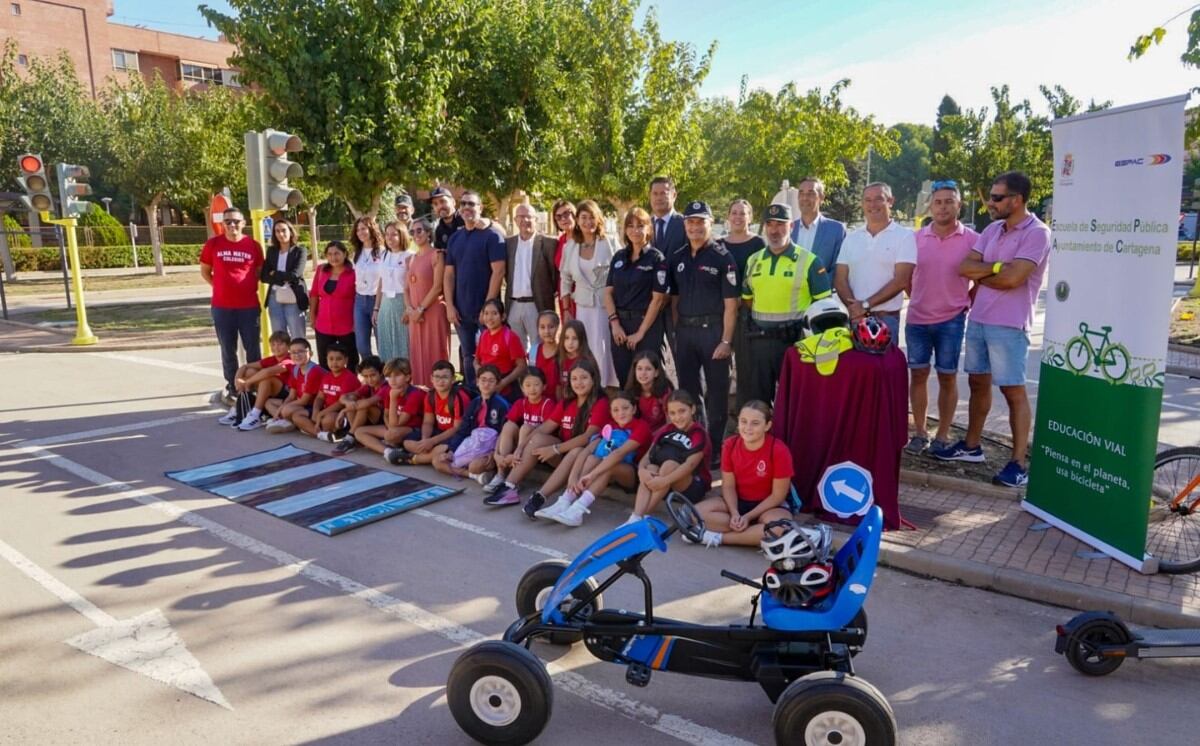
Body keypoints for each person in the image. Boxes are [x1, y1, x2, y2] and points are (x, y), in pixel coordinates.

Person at [934, 171, 1051, 488]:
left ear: (1017, 199)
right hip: (980, 319)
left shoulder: (1037, 234)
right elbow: (965, 268)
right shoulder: (993, 229)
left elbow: (1015, 279)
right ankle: (971, 446)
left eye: (997, 197)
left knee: (1013, 392)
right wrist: (999, 268)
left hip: (1010, 325)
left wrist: (986, 273)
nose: (990, 203)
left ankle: (1018, 463)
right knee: (977, 383)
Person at [905, 180, 979, 455]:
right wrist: (916, 298)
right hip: (917, 320)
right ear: (931, 205)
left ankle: (943, 435)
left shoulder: (973, 240)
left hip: (952, 320)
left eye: (949, 201)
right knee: (919, 375)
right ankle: (921, 433)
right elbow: (905, 276)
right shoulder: (915, 239)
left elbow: (982, 275)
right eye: (938, 202)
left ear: (959, 205)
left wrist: (967, 301)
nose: (943, 206)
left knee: (948, 377)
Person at [483, 359, 608, 511]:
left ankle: (541, 497)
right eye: (574, 378)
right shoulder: (567, 402)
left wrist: (555, 449)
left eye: (584, 377)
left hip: (583, 458)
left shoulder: (600, 403)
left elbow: (587, 437)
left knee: (575, 451)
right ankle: (509, 487)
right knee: (538, 438)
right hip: (562, 454)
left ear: (593, 379)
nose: (579, 382)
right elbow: (544, 428)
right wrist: (520, 447)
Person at [741, 203, 832, 406]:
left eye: (781, 224)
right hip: (760, 344)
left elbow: (823, 307)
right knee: (759, 402)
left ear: (791, 227)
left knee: (794, 401)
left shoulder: (810, 261)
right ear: (764, 227)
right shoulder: (753, 261)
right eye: (770, 224)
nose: (775, 230)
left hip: (794, 344)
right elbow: (747, 299)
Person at [668, 200, 738, 463]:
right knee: (688, 391)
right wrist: (676, 333)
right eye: (691, 222)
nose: (695, 227)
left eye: (701, 222)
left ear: (711, 223)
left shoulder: (722, 258)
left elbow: (732, 306)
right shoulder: (677, 257)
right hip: (685, 332)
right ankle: (694, 441)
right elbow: (673, 300)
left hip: (714, 333)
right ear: (685, 225)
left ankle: (715, 449)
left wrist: (726, 341)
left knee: (717, 392)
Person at [539, 392, 655, 527]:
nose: (621, 413)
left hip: (631, 474)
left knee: (609, 466)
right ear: (611, 412)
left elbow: (619, 453)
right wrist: (574, 477)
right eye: (615, 410)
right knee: (591, 458)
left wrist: (592, 475)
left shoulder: (641, 426)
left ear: (634, 409)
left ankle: (578, 509)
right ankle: (565, 500)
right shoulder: (610, 426)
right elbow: (587, 450)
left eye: (625, 408)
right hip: (603, 468)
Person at [695, 401, 795, 548]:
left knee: (780, 528)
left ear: (767, 426)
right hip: (738, 502)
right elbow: (728, 486)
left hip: (769, 506)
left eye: (755, 423)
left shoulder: (779, 450)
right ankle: (749, 533)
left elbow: (778, 496)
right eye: (743, 421)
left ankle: (718, 538)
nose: (748, 428)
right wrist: (735, 513)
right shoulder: (730, 445)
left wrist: (748, 517)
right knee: (695, 513)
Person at [834, 182, 916, 342]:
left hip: (886, 320)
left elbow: (901, 281)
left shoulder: (905, 236)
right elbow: (840, 279)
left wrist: (864, 305)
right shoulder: (851, 238)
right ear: (862, 203)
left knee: (885, 367)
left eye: (879, 199)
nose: (873, 205)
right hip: (854, 320)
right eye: (867, 200)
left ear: (890, 201)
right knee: (854, 367)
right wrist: (855, 309)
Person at [200, 207, 263, 404]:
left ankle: (254, 384)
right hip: (222, 307)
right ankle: (233, 385)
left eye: (236, 221)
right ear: (223, 224)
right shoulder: (213, 244)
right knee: (228, 348)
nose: (232, 225)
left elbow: (258, 273)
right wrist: (219, 287)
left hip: (249, 307)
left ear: (244, 223)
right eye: (228, 221)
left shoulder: (253, 245)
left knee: (253, 348)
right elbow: (205, 271)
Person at [444, 190, 506, 387]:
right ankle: (472, 394)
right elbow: (449, 274)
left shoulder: (492, 235)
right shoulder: (455, 238)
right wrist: (449, 306)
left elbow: (498, 272)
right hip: (461, 311)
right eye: (463, 204)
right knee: (468, 356)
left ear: (480, 207)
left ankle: (493, 396)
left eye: (471, 204)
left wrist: (487, 309)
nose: (466, 208)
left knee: (490, 355)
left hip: (486, 312)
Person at [626, 390, 712, 523]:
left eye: (682, 411)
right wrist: (642, 470)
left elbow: (690, 465)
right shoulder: (666, 430)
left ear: (692, 409)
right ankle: (635, 516)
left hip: (691, 485)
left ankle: (644, 516)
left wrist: (664, 481)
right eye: (672, 413)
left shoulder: (698, 433)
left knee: (669, 465)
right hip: (664, 482)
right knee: (651, 467)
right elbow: (648, 455)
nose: (677, 417)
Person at [606, 207, 669, 385]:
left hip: (646, 327)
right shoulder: (618, 257)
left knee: (649, 379)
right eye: (630, 226)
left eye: (640, 225)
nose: (635, 230)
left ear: (649, 229)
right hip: (620, 327)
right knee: (624, 377)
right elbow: (608, 293)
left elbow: (657, 300)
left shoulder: (656, 258)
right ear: (625, 230)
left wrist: (640, 333)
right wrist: (615, 324)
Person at [560, 200, 619, 388]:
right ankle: (588, 387)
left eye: (592, 217)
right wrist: (567, 309)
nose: (588, 222)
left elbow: (620, 273)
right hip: (583, 308)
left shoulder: (609, 243)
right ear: (577, 220)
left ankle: (608, 388)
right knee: (586, 348)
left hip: (606, 307)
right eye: (583, 218)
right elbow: (565, 280)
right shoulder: (570, 246)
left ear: (598, 219)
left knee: (605, 350)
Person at [484, 368, 558, 496]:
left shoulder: (548, 404)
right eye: (528, 385)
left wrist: (519, 448)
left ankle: (516, 479)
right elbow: (504, 430)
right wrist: (497, 454)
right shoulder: (521, 403)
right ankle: (501, 473)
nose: (532, 389)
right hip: (520, 448)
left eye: (536, 385)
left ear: (544, 386)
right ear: (522, 388)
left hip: (538, 449)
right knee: (509, 425)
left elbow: (548, 431)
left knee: (526, 428)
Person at [384, 359, 473, 465]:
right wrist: (424, 439)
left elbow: (456, 428)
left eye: (445, 377)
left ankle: (411, 459)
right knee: (407, 443)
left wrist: (432, 441)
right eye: (437, 377)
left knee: (441, 450)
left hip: (455, 435)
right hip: (438, 432)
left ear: (453, 379)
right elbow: (428, 422)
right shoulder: (430, 396)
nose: (440, 381)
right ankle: (425, 456)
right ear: (431, 378)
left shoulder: (459, 397)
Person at [504, 203, 558, 350]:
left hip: (537, 304)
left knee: (539, 347)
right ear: (515, 220)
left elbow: (554, 275)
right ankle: (522, 374)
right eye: (521, 217)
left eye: (529, 216)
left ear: (536, 219)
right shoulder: (508, 244)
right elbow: (506, 273)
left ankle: (537, 373)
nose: (525, 220)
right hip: (514, 305)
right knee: (517, 349)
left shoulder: (549, 243)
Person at [405, 217, 451, 386]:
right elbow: (406, 288)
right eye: (412, 231)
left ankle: (439, 393)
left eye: (419, 230)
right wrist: (410, 309)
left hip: (432, 312)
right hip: (415, 315)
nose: (416, 234)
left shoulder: (437, 255)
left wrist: (421, 309)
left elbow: (438, 286)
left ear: (428, 232)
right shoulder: (410, 259)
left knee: (435, 351)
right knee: (417, 354)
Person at [219, 329, 293, 428]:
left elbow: (267, 372)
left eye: (280, 344)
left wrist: (246, 382)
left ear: (288, 346)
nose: (276, 347)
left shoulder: (290, 359)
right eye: (273, 345)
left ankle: (255, 414)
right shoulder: (272, 359)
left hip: (287, 393)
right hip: (272, 393)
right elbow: (245, 366)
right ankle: (239, 408)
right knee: (250, 371)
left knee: (266, 378)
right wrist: (237, 379)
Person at [354, 357, 426, 458]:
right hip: (394, 428)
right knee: (359, 432)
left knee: (391, 435)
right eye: (389, 376)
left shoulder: (414, 394)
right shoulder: (390, 390)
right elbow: (386, 415)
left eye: (397, 375)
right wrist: (389, 428)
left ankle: (395, 445)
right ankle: (388, 451)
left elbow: (397, 424)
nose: (392, 380)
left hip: (413, 429)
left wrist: (393, 399)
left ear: (407, 377)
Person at [292, 344, 359, 441]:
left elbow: (340, 403)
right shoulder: (327, 376)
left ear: (346, 360)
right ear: (326, 359)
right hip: (325, 410)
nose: (334, 362)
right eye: (331, 359)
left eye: (338, 359)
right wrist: (316, 411)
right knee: (296, 416)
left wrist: (320, 414)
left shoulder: (349, 378)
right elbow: (320, 397)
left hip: (340, 413)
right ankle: (322, 435)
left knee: (328, 420)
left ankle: (330, 431)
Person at [309, 241, 359, 371]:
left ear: (345, 254)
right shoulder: (321, 270)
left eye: (337, 253)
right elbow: (314, 294)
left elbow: (358, 298)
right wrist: (312, 316)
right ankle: (327, 388)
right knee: (325, 361)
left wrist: (357, 322)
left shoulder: (353, 273)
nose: (333, 257)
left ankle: (351, 387)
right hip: (323, 324)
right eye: (330, 254)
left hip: (347, 325)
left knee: (351, 359)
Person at [260, 218, 308, 341]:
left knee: (297, 336)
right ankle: (283, 361)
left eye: (283, 230)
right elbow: (264, 276)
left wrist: (274, 273)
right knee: (279, 338)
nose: (281, 234)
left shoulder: (300, 251)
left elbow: (295, 275)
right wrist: (282, 278)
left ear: (291, 231)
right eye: (277, 231)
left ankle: (299, 360)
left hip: (293, 297)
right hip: (274, 298)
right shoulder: (271, 251)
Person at [331, 355, 389, 454]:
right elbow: (344, 397)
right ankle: (354, 437)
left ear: (381, 373)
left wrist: (343, 410)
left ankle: (350, 436)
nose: (369, 379)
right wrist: (348, 403)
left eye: (373, 375)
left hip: (386, 422)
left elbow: (368, 402)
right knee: (352, 402)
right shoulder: (368, 386)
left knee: (363, 405)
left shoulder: (385, 387)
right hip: (374, 419)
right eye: (366, 376)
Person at [264, 338, 323, 433]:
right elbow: (291, 396)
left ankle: (287, 420)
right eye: (293, 352)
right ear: (290, 355)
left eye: (300, 351)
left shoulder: (314, 371)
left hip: (314, 405)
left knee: (287, 409)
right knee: (269, 402)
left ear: (310, 353)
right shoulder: (295, 369)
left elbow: (304, 401)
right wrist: (282, 407)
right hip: (300, 403)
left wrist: (282, 408)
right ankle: (285, 420)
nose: (297, 355)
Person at [790, 177, 847, 273]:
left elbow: (837, 271)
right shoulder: (788, 229)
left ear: (821, 198)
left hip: (821, 287)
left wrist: (818, 287)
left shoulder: (836, 230)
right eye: (801, 193)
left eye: (811, 193)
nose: (805, 198)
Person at [376, 222, 411, 362]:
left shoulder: (409, 256)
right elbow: (381, 282)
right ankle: (389, 377)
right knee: (386, 341)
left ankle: (405, 376)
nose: (389, 238)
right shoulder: (384, 255)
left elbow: (412, 285)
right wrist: (376, 308)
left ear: (402, 235)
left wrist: (409, 308)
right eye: (387, 234)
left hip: (402, 302)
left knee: (403, 342)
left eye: (394, 234)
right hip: (386, 303)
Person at [350, 216, 385, 360]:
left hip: (378, 301)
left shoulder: (382, 252)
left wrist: (377, 306)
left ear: (371, 229)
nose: (360, 232)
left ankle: (384, 375)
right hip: (360, 301)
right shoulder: (357, 253)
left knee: (382, 344)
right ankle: (371, 373)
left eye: (363, 228)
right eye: (358, 230)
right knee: (362, 346)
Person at [624, 350, 673, 432]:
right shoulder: (631, 391)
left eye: (648, 369)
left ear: (656, 372)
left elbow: (670, 423)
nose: (643, 373)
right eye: (639, 369)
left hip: (660, 435)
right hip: (638, 435)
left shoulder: (664, 391)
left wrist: (653, 437)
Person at [550, 199, 577, 319]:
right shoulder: (561, 241)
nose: (563, 219)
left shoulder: (584, 239)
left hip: (581, 295)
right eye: (558, 217)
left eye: (566, 214)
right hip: (564, 295)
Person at [556, 319, 596, 401]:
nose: (570, 342)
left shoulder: (587, 360)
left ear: (581, 339)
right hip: (565, 402)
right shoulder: (560, 358)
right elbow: (559, 385)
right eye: (566, 338)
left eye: (575, 338)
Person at [649, 176, 686, 256]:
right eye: (655, 194)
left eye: (663, 193)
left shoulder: (685, 224)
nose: (658, 198)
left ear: (674, 195)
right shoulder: (645, 225)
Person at [528, 310, 561, 398]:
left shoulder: (563, 352)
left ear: (558, 327)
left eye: (551, 327)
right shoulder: (534, 351)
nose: (546, 331)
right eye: (542, 327)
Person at [431, 186, 465, 251]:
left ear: (453, 202)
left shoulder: (465, 220)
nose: (440, 206)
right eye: (435, 204)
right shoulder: (438, 230)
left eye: (443, 201)